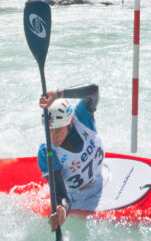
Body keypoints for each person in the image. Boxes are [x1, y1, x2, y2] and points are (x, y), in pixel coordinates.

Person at [37, 83, 104, 231]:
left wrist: (58, 94)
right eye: (50, 130)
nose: (53, 137)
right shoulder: (47, 153)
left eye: (58, 130)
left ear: (71, 122)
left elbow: (93, 90)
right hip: (81, 201)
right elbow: (61, 195)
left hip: (102, 180)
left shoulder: (83, 118)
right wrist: (63, 211)